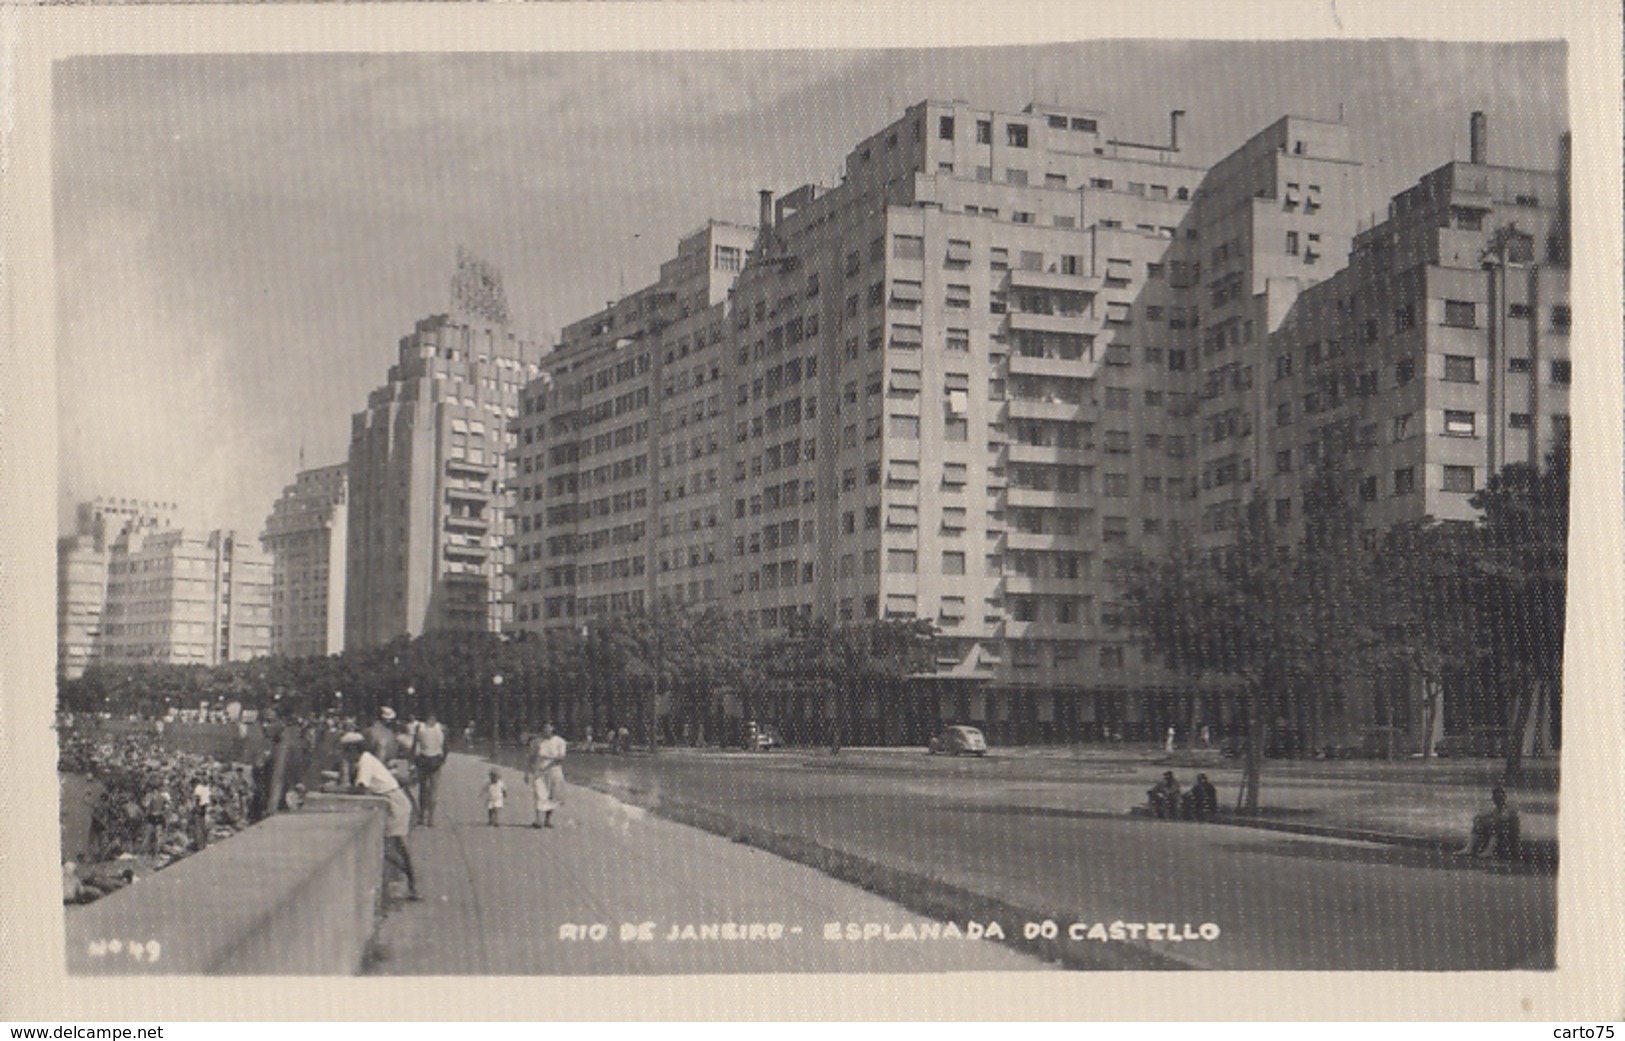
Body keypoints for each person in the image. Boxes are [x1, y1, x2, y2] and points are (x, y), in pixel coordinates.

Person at [338, 732, 419, 900]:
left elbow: (361, 788)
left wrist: (336, 789)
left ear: (353, 749)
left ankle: (411, 881)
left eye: (346, 751)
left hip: (393, 802)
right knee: (398, 846)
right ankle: (412, 882)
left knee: (388, 847)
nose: (344, 755)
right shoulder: (366, 758)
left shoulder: (365, 762)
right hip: (396, 799)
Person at [1456, 785, 1521, 859]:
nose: (1497, 800)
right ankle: (1469, 848)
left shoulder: (1511, 807)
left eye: (1499, 797)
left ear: (1504, 797)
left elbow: (1504, 818)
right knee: (1480, 822)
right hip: (1500, 831)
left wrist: (1489, 821)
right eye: (1495, 798)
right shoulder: (1495, 810)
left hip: (1511, 834)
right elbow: (1482, 816)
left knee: (1495, 825)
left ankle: (1489, 851)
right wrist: (1478, 819)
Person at [525, 723, 567, 829]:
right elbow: (531, 758)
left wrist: (551, 764)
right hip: (539, 769)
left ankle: (548, 819)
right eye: (544, 727)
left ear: (553, 728)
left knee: (552, 794)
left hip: (554, 769)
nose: (546, 729)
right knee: (539, 793)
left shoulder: (560, 741)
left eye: (548, 727)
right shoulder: (536, 742)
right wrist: (526, 772)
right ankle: (538, 819)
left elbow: (561, 757)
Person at [414, 710, 448, 827]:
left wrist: (414, 761)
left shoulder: (420, 727)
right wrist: (442, 760)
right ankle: (431, 818)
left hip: (423, 759)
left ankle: (421, 816)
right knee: (434, 789)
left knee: (423, 789)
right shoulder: (441, 728)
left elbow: (415, 746)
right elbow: (446, 746)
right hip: (436, 760)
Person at [190, 777, 212, 850]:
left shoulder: (197, 789)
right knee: (206, 826)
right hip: (207, 807)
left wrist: (194, 808)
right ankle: (207, 842)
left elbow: (196, 799)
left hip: (201, 808)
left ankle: (202, 844)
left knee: (200, 827)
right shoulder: (205, 788)